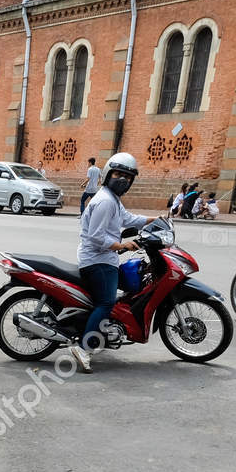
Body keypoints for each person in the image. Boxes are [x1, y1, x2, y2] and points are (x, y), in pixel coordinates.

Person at [75, 152, 149, 374]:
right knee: (106, 303)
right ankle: (83, 348)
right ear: (108, 174)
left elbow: (128, 219)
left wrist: (154, 221)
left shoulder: (112, 199)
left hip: (103, 258)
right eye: (118, 175)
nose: (123, 180)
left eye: (128, 177)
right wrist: (122, 246)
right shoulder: (106, 201)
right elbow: (96, 236)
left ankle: (100, 331)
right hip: (97, 260)